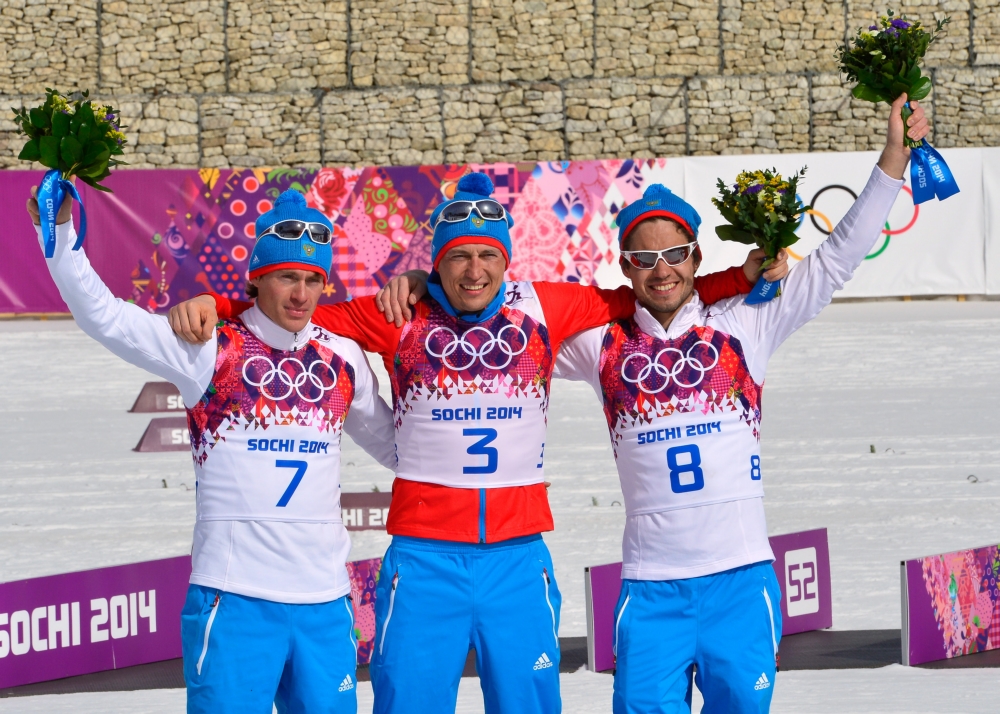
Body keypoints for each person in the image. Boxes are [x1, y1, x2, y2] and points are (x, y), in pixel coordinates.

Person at [169, 173, 781, 714]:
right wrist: (220, 305)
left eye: (488, 254)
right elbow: (296, 312)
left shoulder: (543, 304)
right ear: (437, 263)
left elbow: (647, 293)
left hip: (516, 557)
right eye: (458, 256)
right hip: (423, 557)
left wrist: (739, 277)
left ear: (507, 259)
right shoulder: (399, 313)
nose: (474, 269)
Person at [549, 95, 928, 713]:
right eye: (644, 260)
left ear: (698, 258)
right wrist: (426, 285)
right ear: (626, 267)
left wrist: (892, 159)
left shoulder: (745, 322)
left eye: (675, 254)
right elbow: (510, 337)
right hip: (650, 593)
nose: (662, 270)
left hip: (740, 583)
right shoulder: (601, 345)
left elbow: (837, 261)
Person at [27, 187, 396, 714]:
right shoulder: (210, 348)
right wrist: (62, 234)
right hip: (234, 599)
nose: (301, 293)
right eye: (287, 277)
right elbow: (106, 318)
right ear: (257, 278)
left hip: (325, 604)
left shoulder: (343, 358)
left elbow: (401, 449)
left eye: (313, 279)